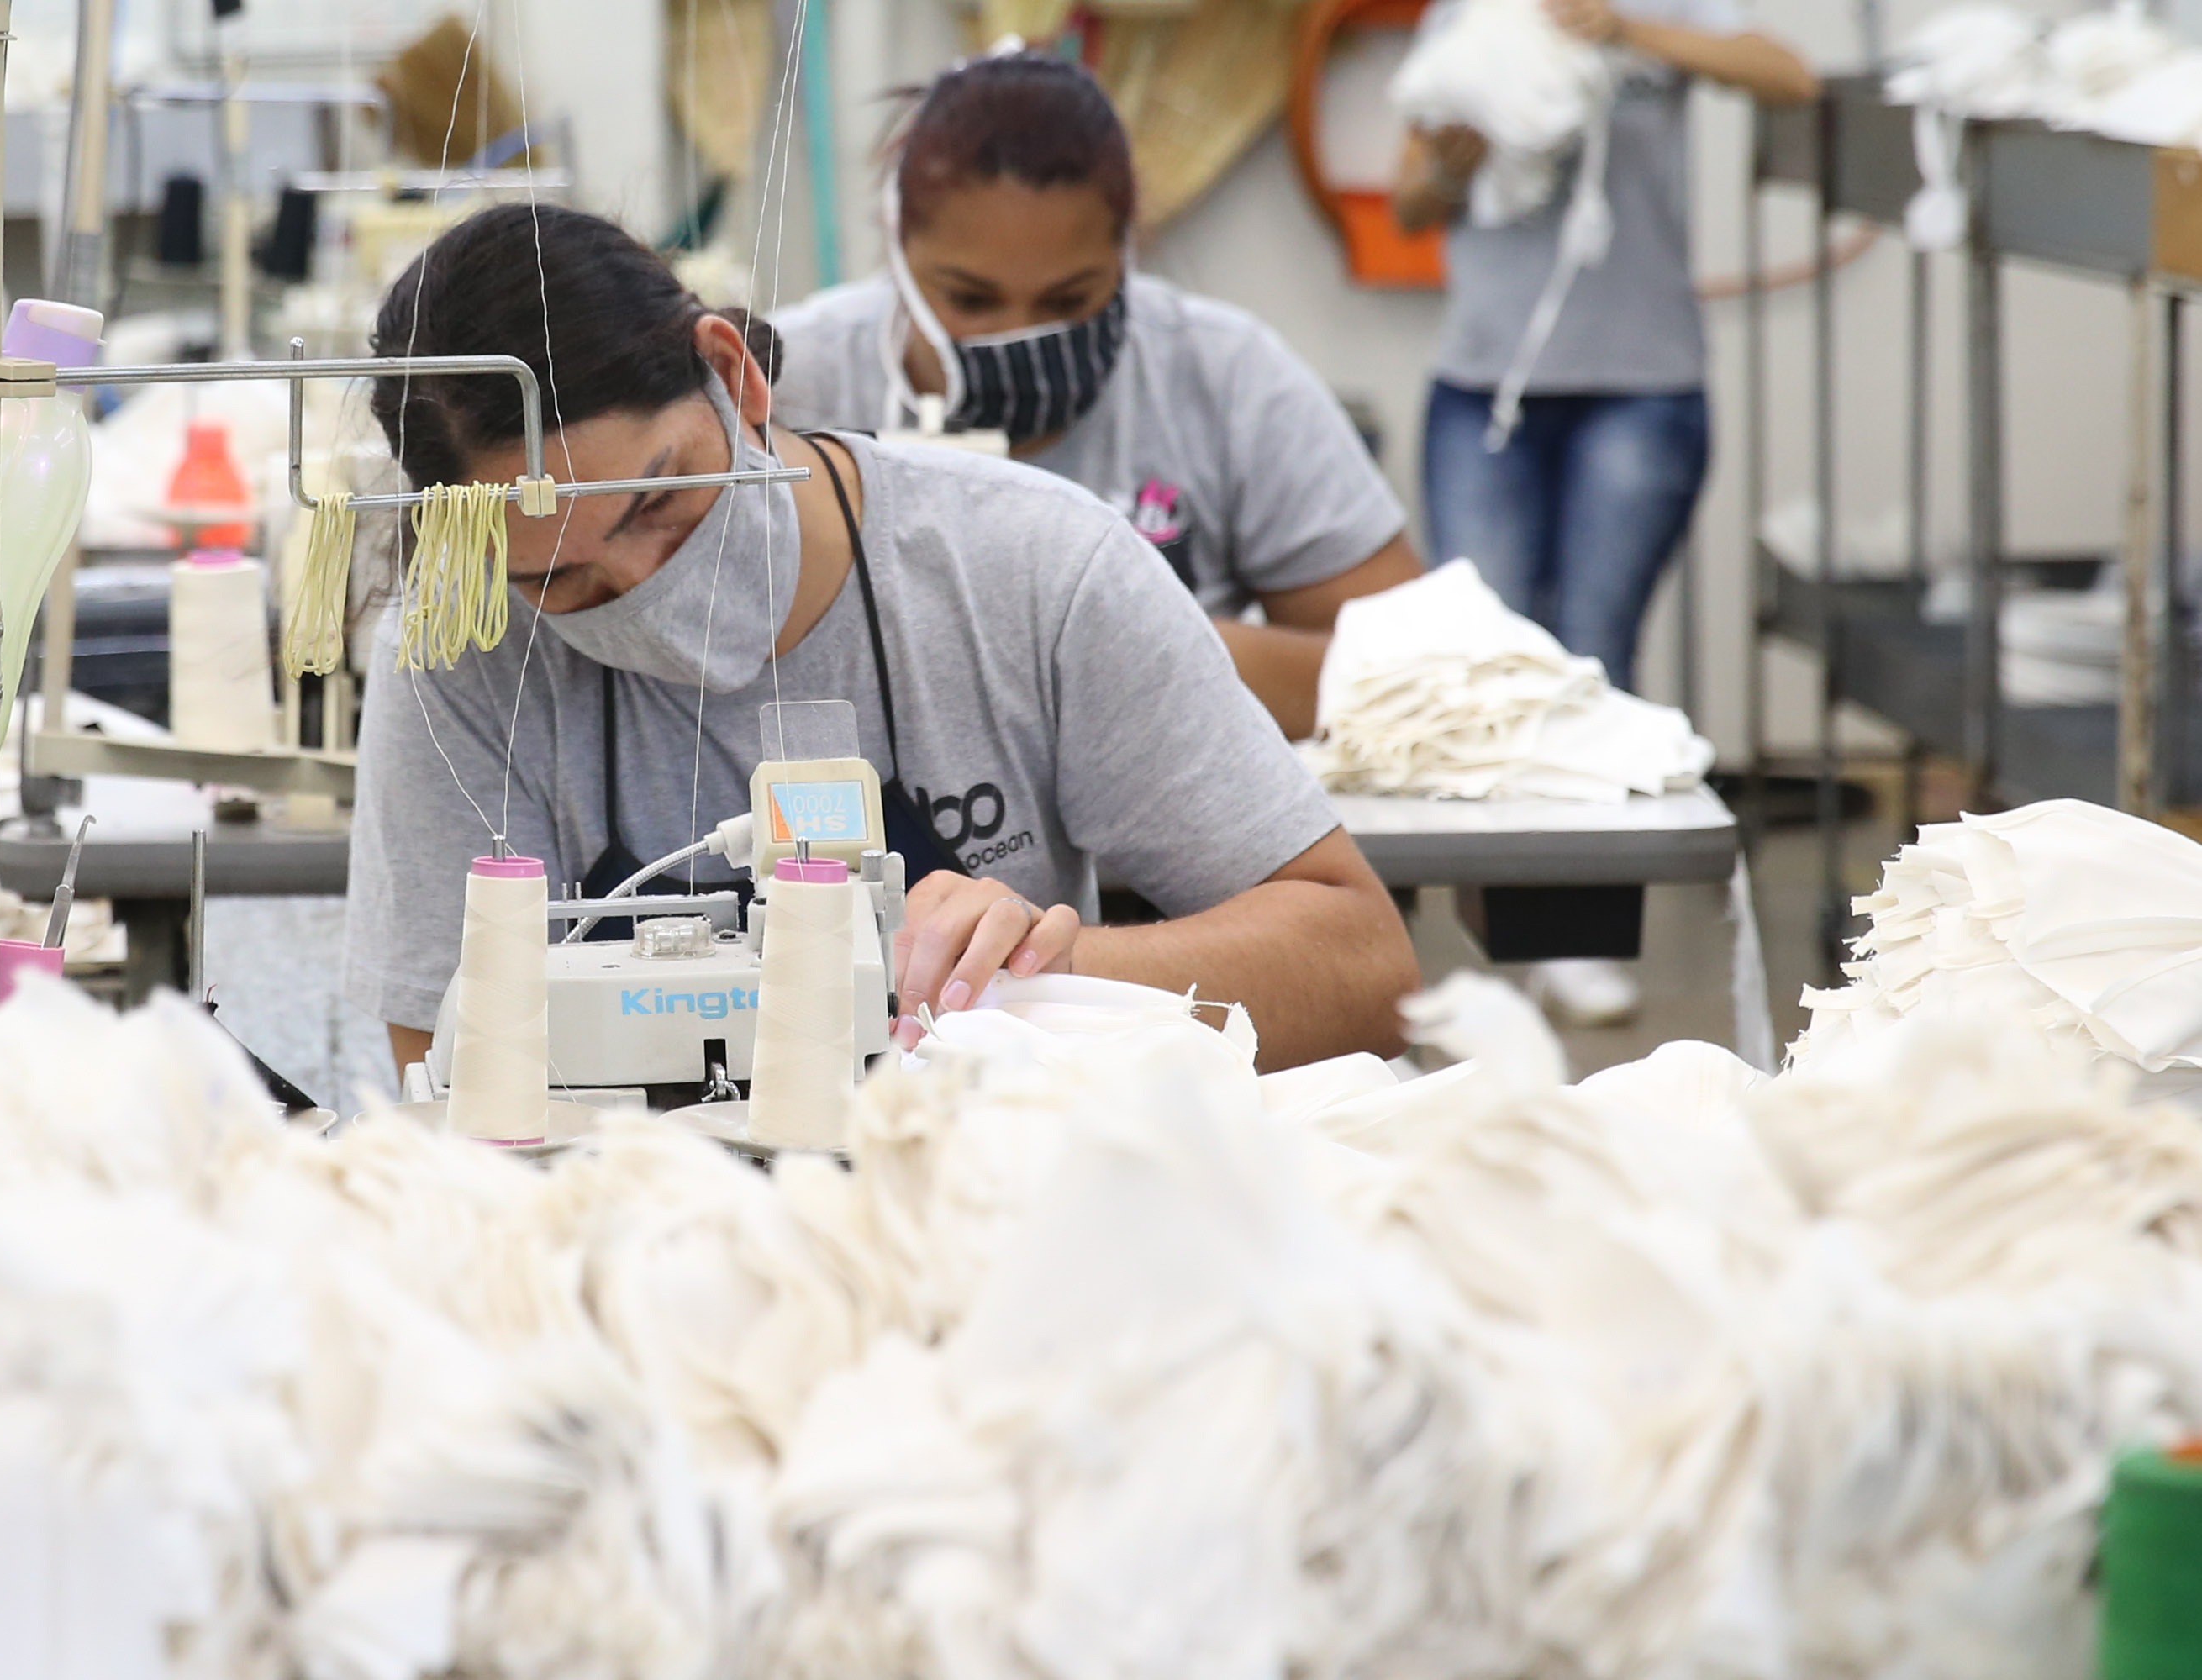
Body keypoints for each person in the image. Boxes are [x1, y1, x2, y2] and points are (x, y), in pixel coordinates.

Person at [345, 204, 1419, 1077]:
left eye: (659, 503)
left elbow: (1370, 971)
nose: (639, 584)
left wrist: (1058, 971)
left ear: (733, 373)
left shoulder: (1036, 570)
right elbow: (446, 1079)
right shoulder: (455, 655)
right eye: (558, 576)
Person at [770, 50, 1421, 741]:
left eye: (1068, 299)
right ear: (896, 251)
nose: (1017, 334)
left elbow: (1425, 673)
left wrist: (1146, 647)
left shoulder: (1225, 378)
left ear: (1129, 251)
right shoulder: (789, 385)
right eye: (969, 298)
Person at [1393, 0, 1812, 1025]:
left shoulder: (1655, 14)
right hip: (1485, 387)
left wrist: (1627, 34)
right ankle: (1519, 918)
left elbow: (1788, 74)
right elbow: (1410, 203)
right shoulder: (1469, 15)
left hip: (1642, 385)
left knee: (1593, 655)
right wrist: (1455, 155)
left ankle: (1572, 934)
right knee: (1488, 665)